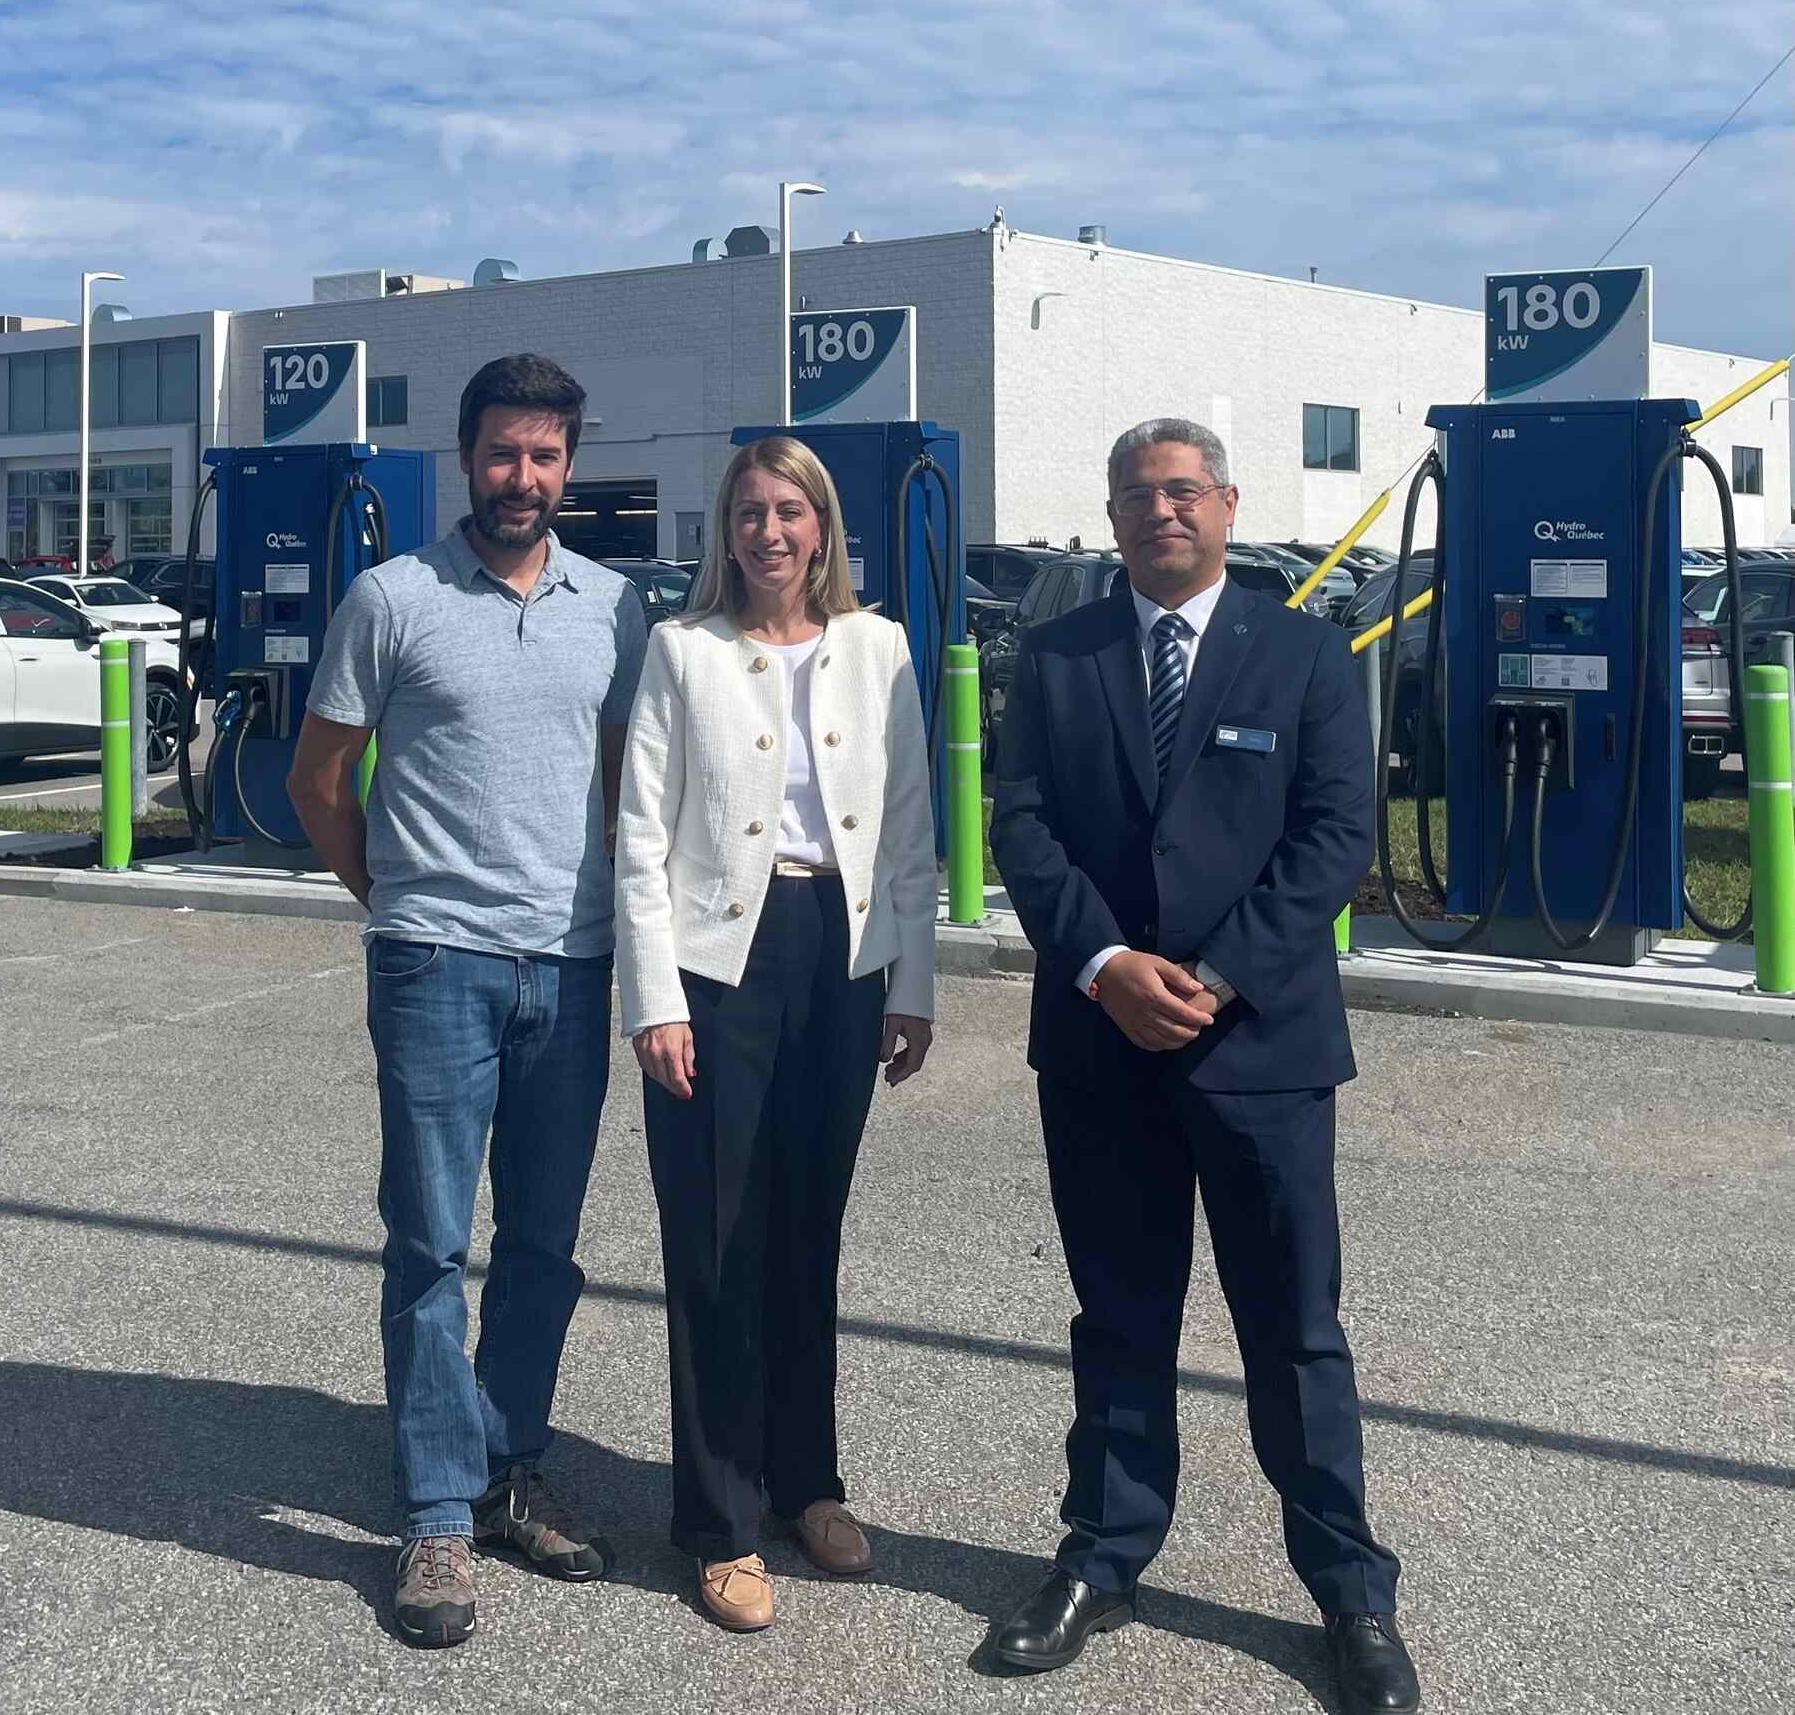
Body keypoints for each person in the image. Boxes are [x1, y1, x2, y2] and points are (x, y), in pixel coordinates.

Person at [984, 418, 1420, 1715]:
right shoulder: (1055, 656)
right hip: (1101, 1046)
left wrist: (1218, 974)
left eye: (1184, 491)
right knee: (1119, 1318)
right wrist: (1107, 964)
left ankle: (1352, 1590)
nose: (1162, 510)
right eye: (1138, 494)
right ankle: (1104, 1552)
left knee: (1294, 1329)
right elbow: (1022, 820)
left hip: (1262, 1052)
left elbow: (1336, 834)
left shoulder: (1303, 651)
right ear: (1112, 517)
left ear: (1228, 504)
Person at [290, 352, 650, 1651]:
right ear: (467, 456)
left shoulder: (614, 606)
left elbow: (624, 784)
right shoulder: (392, 598)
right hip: (437, 957)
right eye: (503, 452)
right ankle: (439, 1505)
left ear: (569, 463)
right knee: (431, 1239)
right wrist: (391, 898)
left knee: (544, 1243)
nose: (523, 476)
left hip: (574, 956)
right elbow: (320, 776)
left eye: (546, 454)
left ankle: (509, 1466)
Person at [613, 434, 939, 1633]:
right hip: (717, 962)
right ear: (725, 530)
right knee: (715, 1238)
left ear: (824, 526)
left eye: (790, 510)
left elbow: (909, 824)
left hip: (841, 952)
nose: (770, 532)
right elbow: (640, 833)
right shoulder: (681, 651)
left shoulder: (880, 647)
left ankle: (809, 1482)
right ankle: (717, 1518)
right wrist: (654, 996)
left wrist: (915, 983)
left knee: (807, 1229)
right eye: (749, 511)